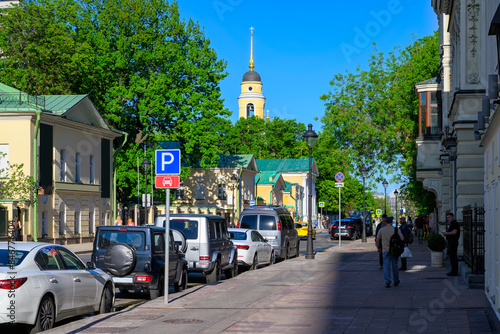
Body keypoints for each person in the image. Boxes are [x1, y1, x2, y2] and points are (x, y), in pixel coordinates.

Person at [376, 216, 404, 288]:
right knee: (395, 265)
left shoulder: (381, 230)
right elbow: (402, 238)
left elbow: (377, 240)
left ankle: (387, 281)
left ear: (385, 222)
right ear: (392, 222)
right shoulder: (396, 230)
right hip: (394, 250)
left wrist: (378, 247)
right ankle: (396, 280)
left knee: (386, 266)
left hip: (385, 250)